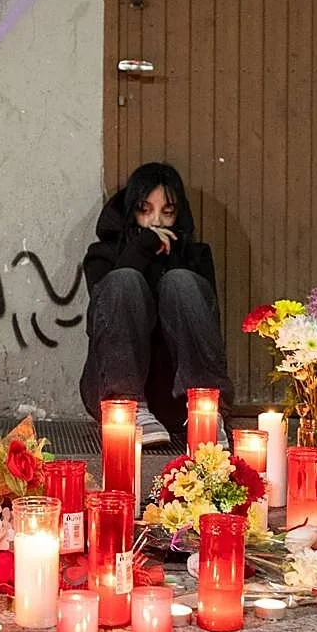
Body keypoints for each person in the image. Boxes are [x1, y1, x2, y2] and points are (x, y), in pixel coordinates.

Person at [79, 162, 233, 446]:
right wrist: (142, 247)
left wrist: (171, 264)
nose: (156, 222)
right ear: (130, 212)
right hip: (116, 397)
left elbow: (206, 328)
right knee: (123, 280)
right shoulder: (102, 255)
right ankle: (131, 406)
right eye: (145, 210)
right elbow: (105, 320)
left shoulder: (195, 256)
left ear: (179, 215)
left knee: (181, 282)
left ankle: (206, 411)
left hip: (178, 399)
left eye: (168, 212)